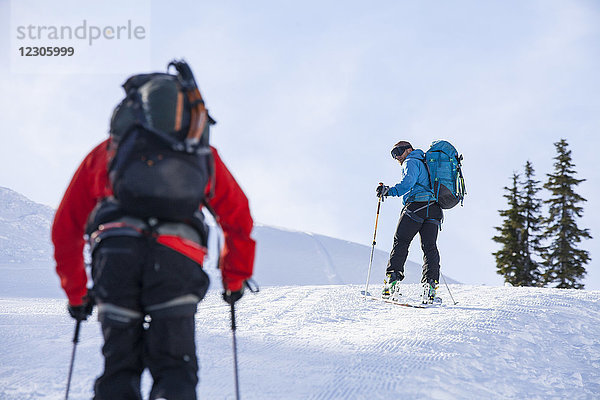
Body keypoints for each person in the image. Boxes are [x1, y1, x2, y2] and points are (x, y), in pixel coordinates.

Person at [52, 67, 255, 400]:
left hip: (116, 258)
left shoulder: (110, 152)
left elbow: (66, 229)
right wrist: (234, 280)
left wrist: (77, 293)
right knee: (175, 369)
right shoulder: (200, 155)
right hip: (178, 261)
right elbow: (238, 219)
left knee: (119, 369)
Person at [376, 141, 443, 304]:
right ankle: (430, 287)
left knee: (401, 242)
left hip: (416, 207)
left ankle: (392, 283)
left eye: (398, 151)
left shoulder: (411, 161)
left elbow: (408, 183)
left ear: (409, 150)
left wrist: (388, 191)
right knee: (430, 247)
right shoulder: (426, 163)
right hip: (434, 209)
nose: (396, 156)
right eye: (393, 154)